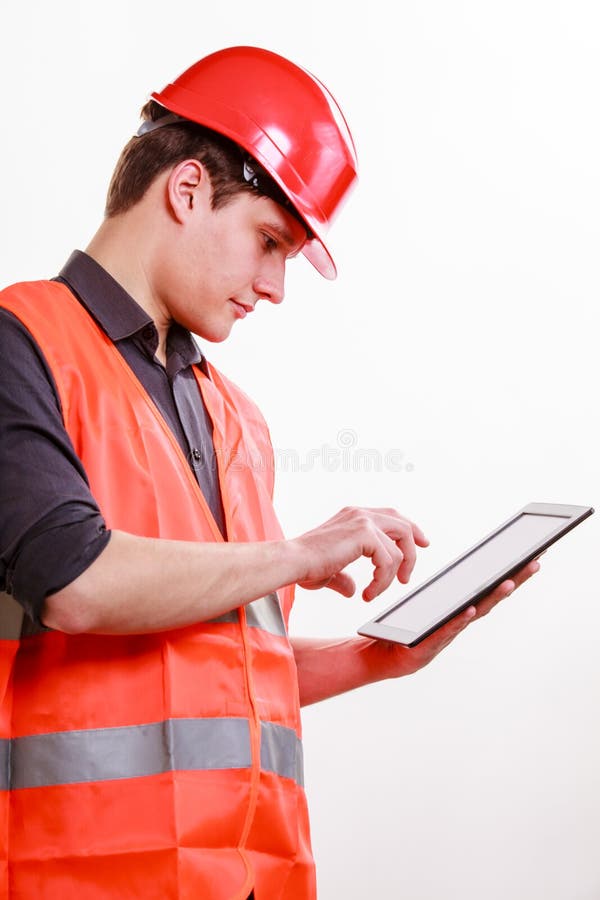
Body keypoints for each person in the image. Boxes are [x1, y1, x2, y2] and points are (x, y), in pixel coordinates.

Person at [0, 46, 538, 899]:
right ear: (186, 191)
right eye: (269, 242)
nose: (277, 287)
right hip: (82, 879)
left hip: (252, 879)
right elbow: (74, 581)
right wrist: (303, 551)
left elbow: (232, 665)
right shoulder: (19, 344)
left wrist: (376, 658)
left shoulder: (234, 415)